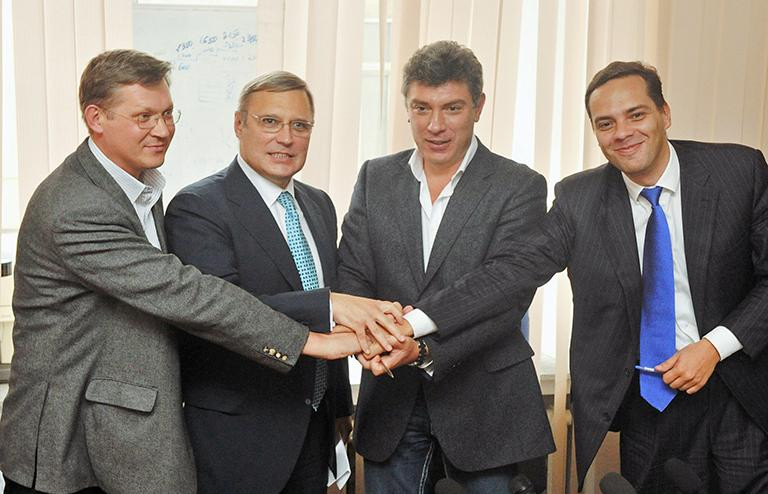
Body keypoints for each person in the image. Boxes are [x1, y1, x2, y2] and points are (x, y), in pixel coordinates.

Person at [0, 50, 399, 494]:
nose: (163, 129)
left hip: (125, 432)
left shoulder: (138, 189)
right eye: (144, 116)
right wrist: (317, 338)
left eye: (168, 114)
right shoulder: (78, 205)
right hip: (68, 442)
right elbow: (187, 294)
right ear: (96, 118)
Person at [423, 60, 768, 493]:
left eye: (636, 115)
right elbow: (511, 270)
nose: (622, 132)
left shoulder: (739, 171)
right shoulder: (579, 199)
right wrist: (415, 321)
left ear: (664, 113)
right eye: (606, 123)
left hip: (739, 392)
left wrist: (714, 347)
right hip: (650, 403)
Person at [337, 40, 555, 493]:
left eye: (452, 108)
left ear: (479, 107)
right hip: (390, 400)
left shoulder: (519, 185)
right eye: (422, 108)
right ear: (407, 108)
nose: (435, 125)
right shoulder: (375, 177)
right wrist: (372, 336)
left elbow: (504, 293)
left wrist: (416, 340)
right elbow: (352, 276)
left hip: (488, 409)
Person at [164, 71, 379, 493]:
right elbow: (226, 308)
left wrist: (339, 407)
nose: (286, 138)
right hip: (241, 438)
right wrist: (328, 304)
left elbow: (331, 323)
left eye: (300, 126)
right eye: (270, 122)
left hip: (315, 431)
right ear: (238, 124)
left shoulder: (318, 204)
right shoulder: (198, 207)